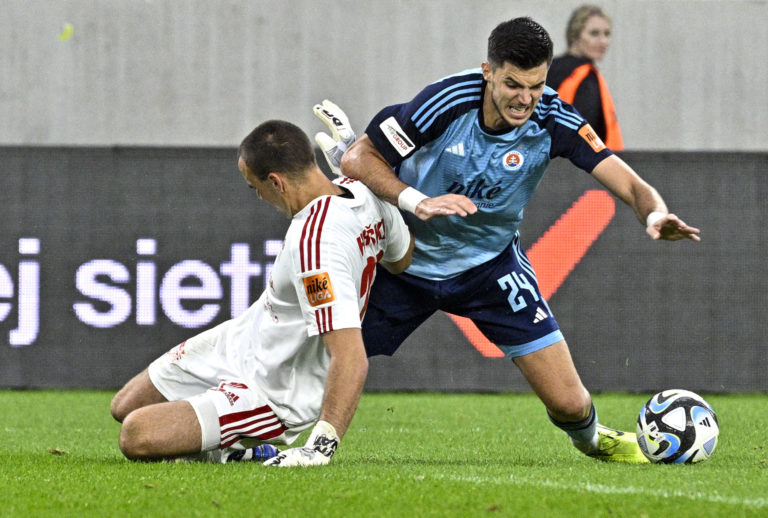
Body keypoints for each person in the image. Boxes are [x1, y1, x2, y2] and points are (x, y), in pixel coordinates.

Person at [331, 17, 699, 463]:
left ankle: (594, 440)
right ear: (488, 71)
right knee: (315, 368)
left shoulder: (554, 118)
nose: (525, 99)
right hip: (402, 263)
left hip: (490, 267)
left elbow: (631, 184)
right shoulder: (446, 100)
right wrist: (417, 202)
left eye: (536, 85)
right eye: (512, 85)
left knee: (570, 403)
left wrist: (656, 212)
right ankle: (247, 437)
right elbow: (358, 157)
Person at [109, 110, 414, 467]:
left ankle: (230, 448)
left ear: (277, 182)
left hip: (275, 390)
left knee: (138, 435)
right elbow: (401, 259)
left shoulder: (315, 246)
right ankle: (226, 444)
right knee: (125, 405)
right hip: (244, 341)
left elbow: (351, 357)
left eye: (255, 188)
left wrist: (321, 446)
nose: (258, 197)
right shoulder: (365, 192)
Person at [547, 5, 623, 150]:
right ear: (575, 36)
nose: (603, 41)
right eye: (594, 34)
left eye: (607, 34)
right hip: (578, 164)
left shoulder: (547, 68)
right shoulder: (584, 76)